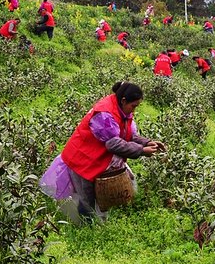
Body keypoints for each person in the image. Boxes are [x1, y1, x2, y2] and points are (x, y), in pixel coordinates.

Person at [60, 81, 165, 220]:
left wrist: (147, 142)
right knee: (86, 199)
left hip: (96, 157)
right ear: (123, 101)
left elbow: (128, 134)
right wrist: (141, 150)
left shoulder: (122, 110)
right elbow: (113, 143)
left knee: (99, 196)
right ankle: (86, 229)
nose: (134, 110)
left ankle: (96, 224)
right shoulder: (105, 113)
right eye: (133, 106)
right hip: (82, 158)